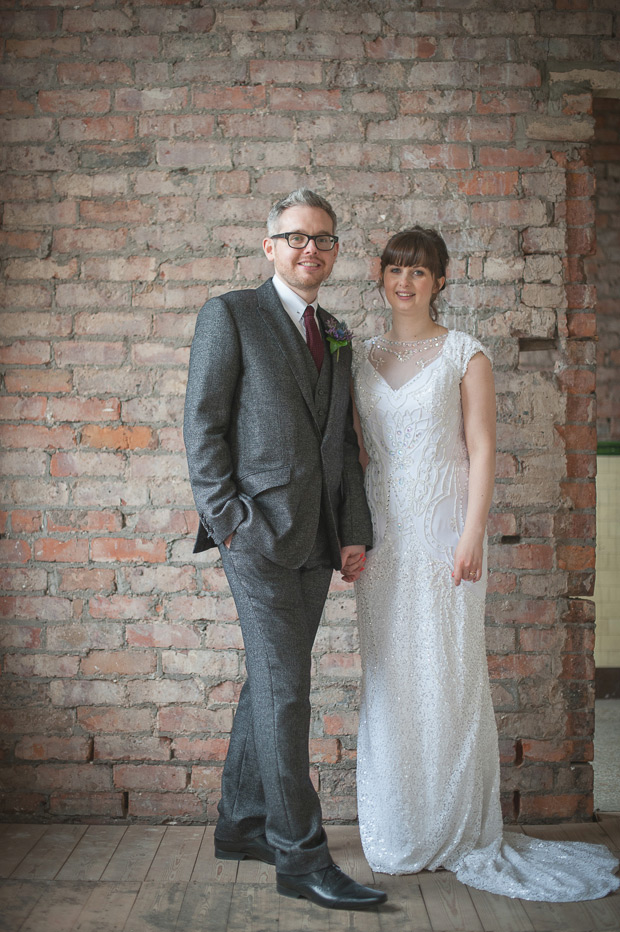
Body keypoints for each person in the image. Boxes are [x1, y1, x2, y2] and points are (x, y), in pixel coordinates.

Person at [351, 226, 620, 900]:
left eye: (419, 271)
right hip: (384, 537)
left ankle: (457, 825)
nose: (405, 281)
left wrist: (472, 535)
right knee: (390, 674)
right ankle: (399, 826)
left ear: (441, 280)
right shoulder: (359, 358)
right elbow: (358, 460)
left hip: (445, 533)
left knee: (447, 670)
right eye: (395, 269)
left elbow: (481, 450)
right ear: (380, 276)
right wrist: (350, 535)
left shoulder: (465, 355)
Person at [183, 189, 387, 911]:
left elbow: (343, 447)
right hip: (256, 538)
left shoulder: (335, 332)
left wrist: (354, 529)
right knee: (287, 690)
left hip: (317, 541)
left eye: (324, 239)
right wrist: (230, 519)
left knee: (272, 682)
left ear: (334, 251)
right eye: (296, 237)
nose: (311, 249)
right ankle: (301, 857)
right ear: (269, 245)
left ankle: (242, 822)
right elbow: (203, 427)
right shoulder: (231, 315)